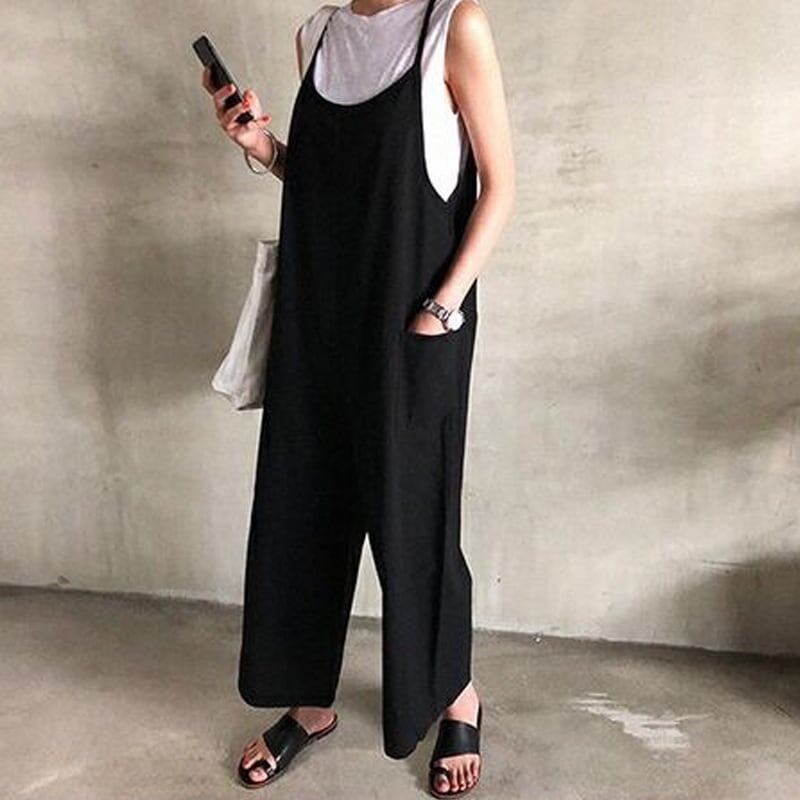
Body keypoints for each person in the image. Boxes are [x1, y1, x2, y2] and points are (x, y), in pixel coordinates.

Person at [202, 0, 514, 795]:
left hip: (414, 321)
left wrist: (441, 308)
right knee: (304, 505)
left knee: (415, 516)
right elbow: (328, 185)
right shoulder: (317, 34)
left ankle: (456, 692)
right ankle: (309, 703)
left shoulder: (453, 24)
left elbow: (501, 187)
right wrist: (263, 147)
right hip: (318, 314)